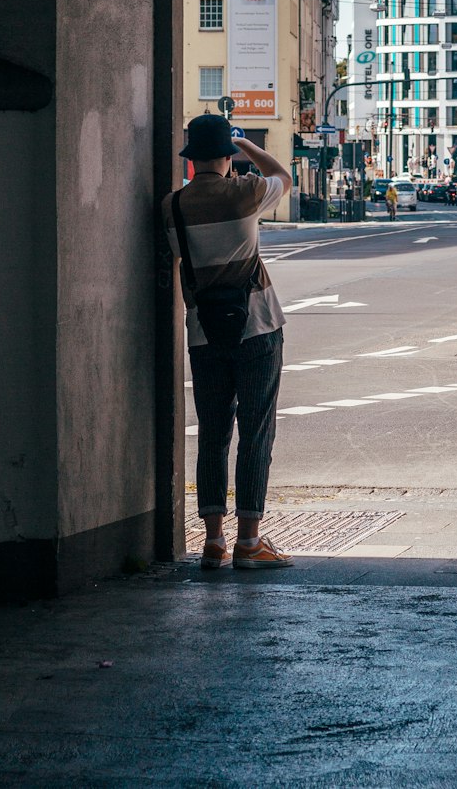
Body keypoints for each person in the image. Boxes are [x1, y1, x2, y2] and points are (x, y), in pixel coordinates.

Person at [162, 114, 294, 571]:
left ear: (191, 159)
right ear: (227, 156)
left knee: (214, 434)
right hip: (256, 326)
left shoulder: (172, 206)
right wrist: (248, 146)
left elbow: (177, 255)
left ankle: (213, 540)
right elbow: (285, 177)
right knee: (256, 432)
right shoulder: (246, 192)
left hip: (203, 333)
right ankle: (250, 541)